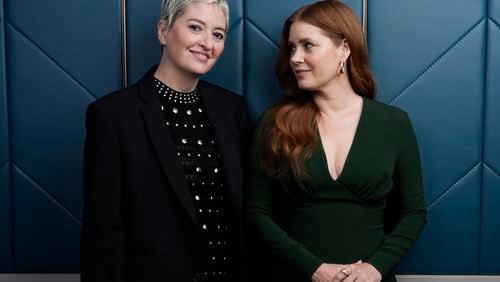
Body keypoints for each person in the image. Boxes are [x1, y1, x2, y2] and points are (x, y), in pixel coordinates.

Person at [244, 1, 427, 282]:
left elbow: (413, 213)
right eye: (292, 48)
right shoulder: (274, 121)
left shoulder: (394, 124)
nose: (294, 57)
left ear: (344, 48)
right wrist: (313, 268)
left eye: (308, 45)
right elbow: (256, 212)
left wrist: (374, 268)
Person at [81, 0, 252, 281]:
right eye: (196, 27)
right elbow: (103, 231)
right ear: (163, 31)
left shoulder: (234, 110)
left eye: (218, 34)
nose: (207, 43)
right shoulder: (113, 116)